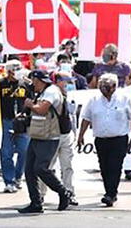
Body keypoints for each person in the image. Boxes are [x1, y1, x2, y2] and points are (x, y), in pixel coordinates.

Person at [78, 73, 131, 207]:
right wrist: (80, 136)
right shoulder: (93, 100)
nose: (103, 88)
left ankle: (111, 194)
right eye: (101, 85)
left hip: (119, 139)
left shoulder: (125, 99)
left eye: (106, 86)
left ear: (114, 86)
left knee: (114, 166)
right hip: (101, 139)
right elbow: (86, 118)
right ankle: (109, 191)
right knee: (104, 167)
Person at [18, 70, 73, 214]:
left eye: (33, 81)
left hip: (49, 137)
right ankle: (36, 202)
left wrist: (30, 105)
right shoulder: (41, 93)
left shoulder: (51, 91)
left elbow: (42, 110)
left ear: (38, 80)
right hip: (37, 135)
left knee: (41, 168)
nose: (32, 84)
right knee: (29, 169)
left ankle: (63, 192)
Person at [38, 71, 78, 206]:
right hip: (53, 136)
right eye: (65, 81)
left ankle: (69, 193)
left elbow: (72, 116)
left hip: (66, 134)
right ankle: (40, 195)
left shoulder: (66, 94)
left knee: (68, 166)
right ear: (57, 81)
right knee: (47, 167)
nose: (67, 84)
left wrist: (75, 133)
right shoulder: (51, 93)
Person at [0, 59, 29, 193]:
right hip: (5, 121)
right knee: (6, 152)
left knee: (24, 150)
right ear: (9, 71)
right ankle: (9, 180)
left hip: (22, 122)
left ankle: (18, 176)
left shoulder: (25, 84)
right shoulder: (0, 84)